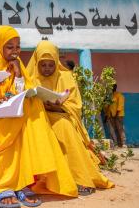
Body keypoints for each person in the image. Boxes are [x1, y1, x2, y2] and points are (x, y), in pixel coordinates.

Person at [0, 26, 78, 208]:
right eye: (9, 47)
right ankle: (3, 184)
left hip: (17, 114)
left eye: (18, 46)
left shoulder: (19, 66)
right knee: (9, 122)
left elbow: (24, 92)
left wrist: (19, 75)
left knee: (34, 107)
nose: (15, 51)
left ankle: (23, 181)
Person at [26, 40, 114, 195]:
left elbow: (76, 105)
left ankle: (81, 179)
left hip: (61, 115)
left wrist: (59, 107)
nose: (47, 69)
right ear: (36, 63)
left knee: (64, 127)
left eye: (51, 64)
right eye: (42, 64)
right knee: (37, 129)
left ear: (57, 62)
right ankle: (46, 180)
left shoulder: (66, 77)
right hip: (38, 118)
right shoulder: (30, 78)